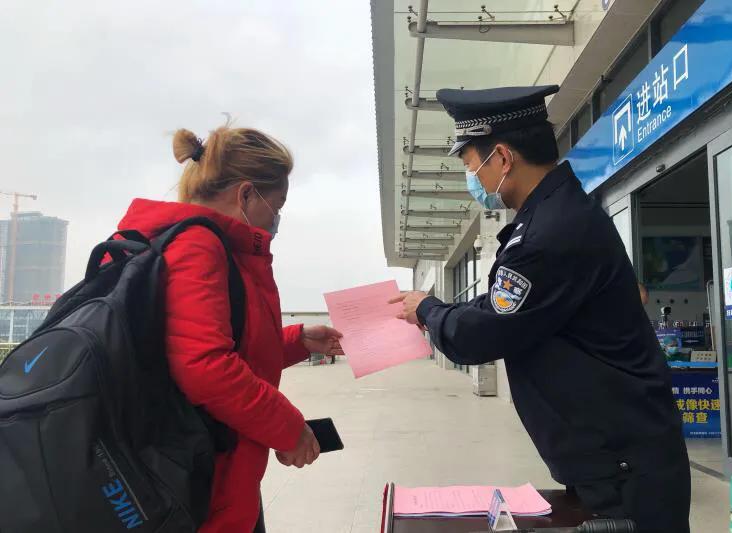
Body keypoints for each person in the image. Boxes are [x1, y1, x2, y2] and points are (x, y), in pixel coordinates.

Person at [392, 86, 690, 533]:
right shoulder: (552, 217)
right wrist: (438, 309)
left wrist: (429, 310)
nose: (472, 178)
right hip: (618, 454)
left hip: (627, 467)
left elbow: (483, 333)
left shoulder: (549, 233)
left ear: (503, 159)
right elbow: (501, 306)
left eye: (472, 165)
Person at [117, 124, 342, 532]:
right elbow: (204, 366)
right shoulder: (197, 247)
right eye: (278, 204)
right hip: (198, 489)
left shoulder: (205, 246)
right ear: (245, 195)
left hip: (215, 476)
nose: (277, 218)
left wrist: (297, 340)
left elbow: (219, 339)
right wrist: (289, 429)